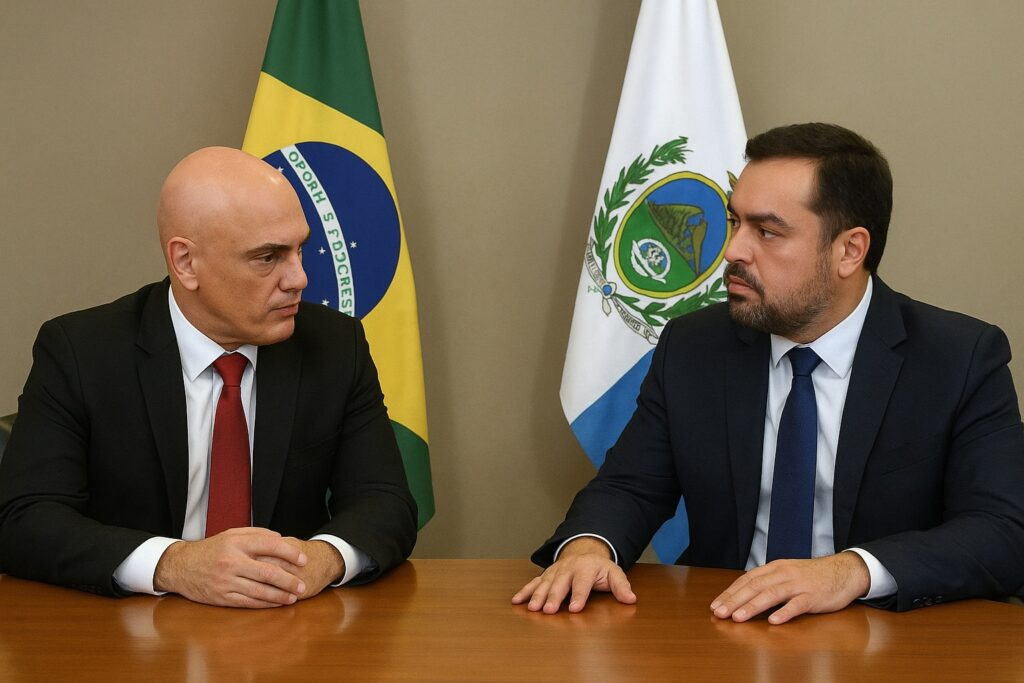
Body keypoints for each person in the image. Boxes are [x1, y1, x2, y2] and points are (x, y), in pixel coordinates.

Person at [513, 123, 1024, 623]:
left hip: (887, 636)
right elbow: (630, 487)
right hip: (724, 625)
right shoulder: (694, 346)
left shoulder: (959, 357)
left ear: (850, 250)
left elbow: (1003, 530)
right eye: (735, 222)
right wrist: (588, 547)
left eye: (767, 231)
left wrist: (851, 571)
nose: (732, 250)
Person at [0, 147, 417, 608]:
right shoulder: (82, 352)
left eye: (299, 249)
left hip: (286, 622)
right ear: (185, 262)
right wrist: (175, 565)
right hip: (130, 627)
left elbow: (386, 502)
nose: (299, 278)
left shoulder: (335, 346)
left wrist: (321, 558)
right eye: (268, 257)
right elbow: (23, 518)